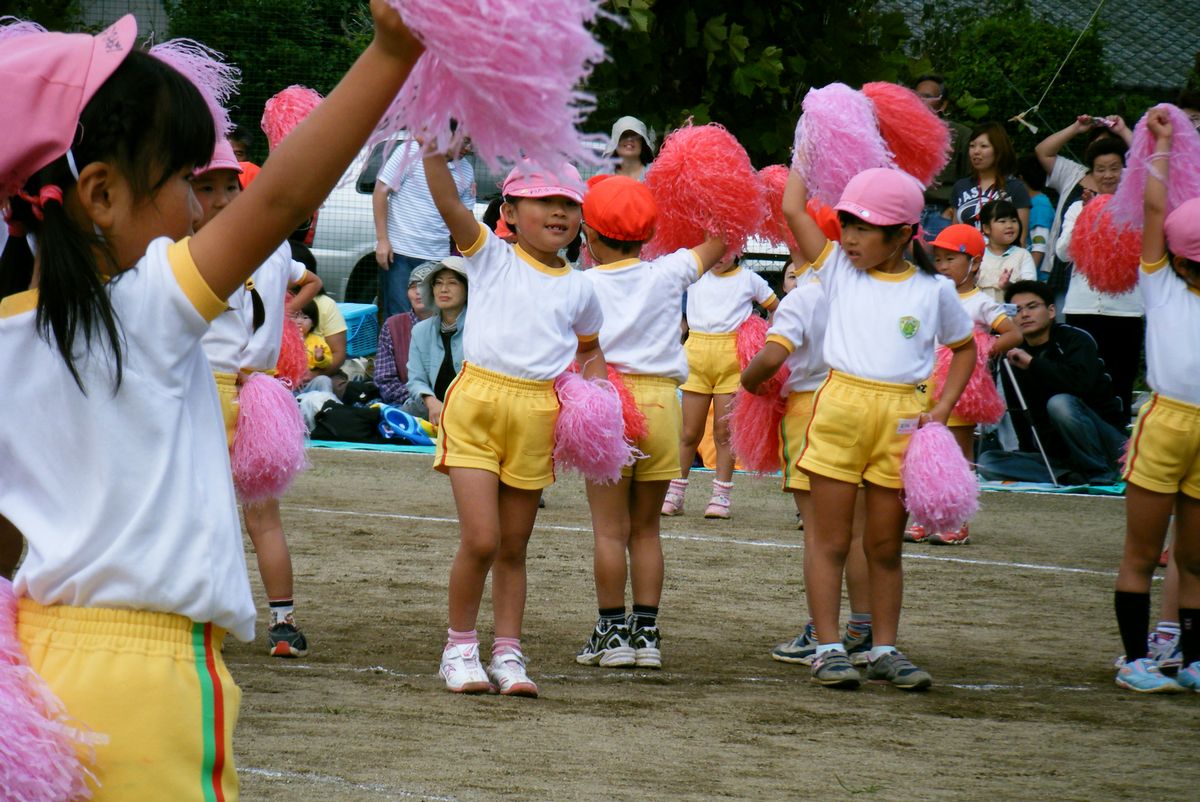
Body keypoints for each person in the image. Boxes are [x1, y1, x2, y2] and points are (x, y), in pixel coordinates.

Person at [0, 7, 422, 797]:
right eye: (185, 184)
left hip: (35, 669)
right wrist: (391, 52)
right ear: (101, 196)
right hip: (146, 679)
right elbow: (279, 199)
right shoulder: (146, 308)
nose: (201, 212)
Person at [783, 167, 976, 691]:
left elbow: (965, 349)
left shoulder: (933, 289)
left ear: (904, 235)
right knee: (830, 540)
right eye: (847, 224)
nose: (849, 237)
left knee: (885, 545)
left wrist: (941, 409)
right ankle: (827, 649)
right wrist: (806, 152)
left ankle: (883, 648)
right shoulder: (837, 270)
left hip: (902, 422)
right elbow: (794, 210)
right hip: (840, 411)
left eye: (865, 228)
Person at [423, 154, 607, 698]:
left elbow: (591, 351)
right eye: (545, 201)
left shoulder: (581, 287)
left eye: (569, 204)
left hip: (538, 414)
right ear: (510, 210)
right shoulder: (490, 258)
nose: (559, 212)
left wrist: (597, 401)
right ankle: (459, 648)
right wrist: (434, 152)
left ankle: (507, 652)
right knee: (481, 539)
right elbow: (448, 202)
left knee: (514, 546)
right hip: (477, 404)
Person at [573, 175, 725, 671]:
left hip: (605, 400)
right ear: (646, 235)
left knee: (608, 531)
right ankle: (648, 634)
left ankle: (612, 633)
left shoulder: (582, 283)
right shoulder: (668, 272)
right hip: (663, 404)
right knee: (646, 531)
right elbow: (722, 238)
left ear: (589, 237)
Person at [193, 139, 321, 659]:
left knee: (202, 513)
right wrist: (286, 314)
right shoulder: (279, 249)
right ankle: (284, 624)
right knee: (264, 518)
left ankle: (205, 621)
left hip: (205, 389)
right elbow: (309, 279)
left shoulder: (199, 247)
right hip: (263, 391)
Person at [740, 268, 874, 666]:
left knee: (820, 535)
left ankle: (821, 633)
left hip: (812, 410)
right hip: (862, 406)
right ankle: (862, 631)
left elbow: (773, 357)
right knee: (858, 534)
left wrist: (749, 382)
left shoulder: (803, 297)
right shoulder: (869, 291)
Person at [1112, 108, 1200, 693]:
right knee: (1142, 550)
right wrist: (1160, 147)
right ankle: (1135, 659)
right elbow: (1152, 208)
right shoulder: (1159, 280)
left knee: (1193, 559)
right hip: (1164, 419)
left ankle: (1190, 660)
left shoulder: (1166, 276)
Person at [905, 224, 1022, 545]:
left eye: (950, 259)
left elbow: (1014, 334)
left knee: (957, 453)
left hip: (959, 386)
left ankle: (958, 522)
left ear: (975, 262)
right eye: (938, 259)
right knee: (919, 451)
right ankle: (925, 517)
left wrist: (984, 349)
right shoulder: (930, 295)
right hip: (923, 383)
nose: (941, 266)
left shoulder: (981, 302)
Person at [976, 281, 1126, 485]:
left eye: (1032, 307)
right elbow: (1019, 411)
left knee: (1060, 403)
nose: (1024, 315)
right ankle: (1069, 476)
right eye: (1017, 310)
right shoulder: (1012, 355)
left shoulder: (1074, 339)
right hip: (1059, 454)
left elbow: (1081, 386)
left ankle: (1099, 473)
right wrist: (1029, 454)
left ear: (1051, 311)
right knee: (987, 462)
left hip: (1107, 443)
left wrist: (1033, 364)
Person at [662, 256, 777, 519]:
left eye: (726, 246)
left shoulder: (749, 279)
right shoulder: (694, 273)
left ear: (737, 246)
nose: (719, 257)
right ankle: (675, 493)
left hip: (731, 357)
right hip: (696, 354)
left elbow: (776, 307)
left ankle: (721, 495)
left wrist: (764, 337)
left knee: (724, 431)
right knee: (689, 431)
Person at [1054, 136, 1144, 418]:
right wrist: (1088, 217)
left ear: (1125, 171)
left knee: (1121, 382)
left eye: (1114, 168)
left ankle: (1117, 450)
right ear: (1091, 173)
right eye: (1100, 169)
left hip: (1126, 310)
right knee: (1082, 383)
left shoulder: (1139, 209)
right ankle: (1084, 449)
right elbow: (1063, 253)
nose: (1107, 175)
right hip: (1081, 309)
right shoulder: (1077, 209)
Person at [373, 136, 474, 318]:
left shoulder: (466, 170)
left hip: (437, 257)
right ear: (448, 133)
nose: (469, 148)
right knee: (400, 317)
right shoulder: (409, 151)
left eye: (472, 143)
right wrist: (382, 240)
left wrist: (470, 256)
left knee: (435, 318)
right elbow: (380, 191)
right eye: (465, 141)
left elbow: (466, 216)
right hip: (400, 253)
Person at [1034, 114, 1134, 288]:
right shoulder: (1073, 173)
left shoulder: (1130, 180)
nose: (1101, 152)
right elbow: (1043, 151)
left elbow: (1150, 163)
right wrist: (1076, 128)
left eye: (1109, 146)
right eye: (1097, 145)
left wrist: (1123, 130)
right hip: (1065, 267)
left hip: (1112, 271)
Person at [406, 256, 468, 424]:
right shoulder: (420, 331)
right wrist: (431, 402)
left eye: (452, 283)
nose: (444, 289)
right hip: (431, 414)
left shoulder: (480, 328)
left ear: (468, 288)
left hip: (471, 414)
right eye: (438, 283)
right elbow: (416, 380)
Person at [912, 73, 972, 241]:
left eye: (927, 97)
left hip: (940, 212)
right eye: (915, 96)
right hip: (907, 212)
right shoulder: (903, 133)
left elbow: (971, 178)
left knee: (939, 265)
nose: (920, 101)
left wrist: (954, 209)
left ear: (943, 104)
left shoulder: (960, 134)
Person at [950, 121, 1031, 235]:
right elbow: (954, 233)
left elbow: (1020, 239)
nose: (976, 151)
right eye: (972, 146)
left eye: (984, 146)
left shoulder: (1015, 188)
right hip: (967, 252)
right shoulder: (960, 186)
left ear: (998, 150)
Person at [374, 261, 435, 406]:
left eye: (424, 285)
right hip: (404, 403)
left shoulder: (452, 324)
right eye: (413, 286)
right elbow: (384, 379)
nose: (418, 292)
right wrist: (423, 402)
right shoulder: (393, 325)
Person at [977, 199, 1037, 302]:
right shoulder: (977, 255)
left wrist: (1009, 286)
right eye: (1002, 221)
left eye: (1014, 220)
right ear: (986, 228)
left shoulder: (1022, 255)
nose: (1009, 226)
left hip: (1011, 316)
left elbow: (1030, 289)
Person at [1016, 154, 1055, 276]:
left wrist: (1026, 278)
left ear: (1020, 179)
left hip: (1036, 278)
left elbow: (1039, 246)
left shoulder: (1039, 205)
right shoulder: (1034, 202)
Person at [604, 115, 655, 181]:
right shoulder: (603, 175)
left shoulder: (656, 173)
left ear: (642, 142)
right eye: (624, 135)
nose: (630, 138)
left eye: (635, 135)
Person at [298, 299, 333, 370]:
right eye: (295, 316)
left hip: (309, 376)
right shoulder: (284, 339)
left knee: (323, 379)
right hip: (285, 378)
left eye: (305, 318)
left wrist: (320, 358)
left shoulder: (317, 341)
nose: (299, 321)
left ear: (313, 323)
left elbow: (328, 362)